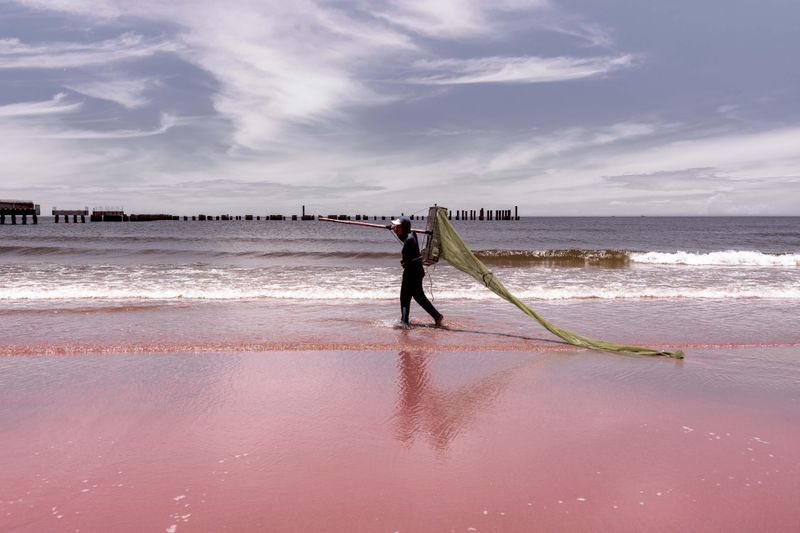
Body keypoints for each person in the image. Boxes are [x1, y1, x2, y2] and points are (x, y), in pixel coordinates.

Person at [391, 216, 444, 328]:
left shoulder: (409, 241)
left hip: (412, 271)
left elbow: (405, 259)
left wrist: (404, 263)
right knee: (418, 296)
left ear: (404, 227)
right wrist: (393, 229)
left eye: (398, 226)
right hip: (417, 270)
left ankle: (404, 322)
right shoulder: (412, 234)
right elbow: (402, 237)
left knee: (405, 296)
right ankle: (437, 316)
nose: (396, 228)